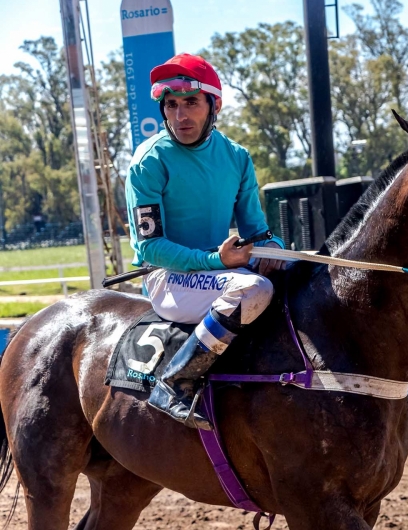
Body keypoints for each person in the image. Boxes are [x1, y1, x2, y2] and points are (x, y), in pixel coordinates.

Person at [125, 53, 286, 431]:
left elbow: (256, 230)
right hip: (168, 277)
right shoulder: (148, 162)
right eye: (172, 105)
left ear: (214, 105)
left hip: (221, 272)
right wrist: (216, 260)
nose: (180, 115)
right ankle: (174, 383)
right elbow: (149, 247)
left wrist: (273, 247)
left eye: (191, 103)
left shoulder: (237, 157)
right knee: (254, 289)